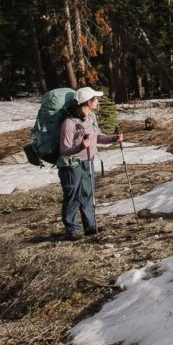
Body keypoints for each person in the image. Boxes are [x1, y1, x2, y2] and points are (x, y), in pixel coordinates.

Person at [56, 86, 122, 240]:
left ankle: (90, 226)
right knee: (73, 196)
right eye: (95, 99)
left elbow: (97, 137)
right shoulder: (69, 123)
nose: (97, 101)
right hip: (72, 164)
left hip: (88, 161)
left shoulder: (91, 118)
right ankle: (72, 229)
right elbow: (64, 149)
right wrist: (80, 146)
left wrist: (113, 138)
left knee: (87, 193)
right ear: (88, 102)